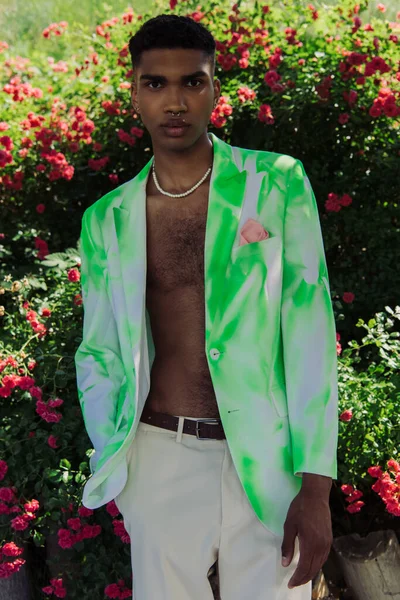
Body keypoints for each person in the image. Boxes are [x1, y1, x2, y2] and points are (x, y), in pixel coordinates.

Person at [74, 13, 338, 600]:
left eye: (192, 82)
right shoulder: (107, 220)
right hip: (158, 454)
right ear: (135, 93)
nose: (175, 100)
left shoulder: (275, 184)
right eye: (156, 83)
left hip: (268, 463)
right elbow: (100, 348)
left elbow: (310, 330)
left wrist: (316, 487)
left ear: (215, 88)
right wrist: (117, 462)